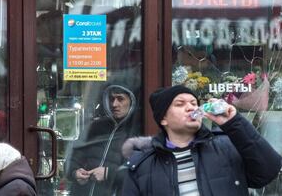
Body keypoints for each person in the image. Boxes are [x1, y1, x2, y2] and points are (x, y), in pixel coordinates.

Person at [122, 85, 282, 196]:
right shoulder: (141, 165)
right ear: (163, 119)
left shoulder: (226, 146)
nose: (192, 108)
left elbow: (268, 171)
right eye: (180, 104)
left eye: (194, 103)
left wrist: (234, 123)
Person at [66, 84, 140, 196]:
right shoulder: (94, 127)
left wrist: (108, 173)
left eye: (120, 99)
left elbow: (142, 173)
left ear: (132, 101)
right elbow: (72, 158)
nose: (114, 104)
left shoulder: (139, 132)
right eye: (111, 99)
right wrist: (75, 172)